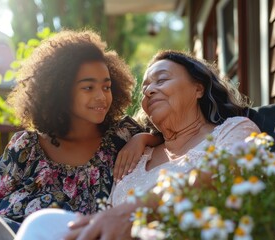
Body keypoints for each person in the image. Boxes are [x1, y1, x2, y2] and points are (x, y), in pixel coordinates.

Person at [0, 29, 161, 240]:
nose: (101, 96)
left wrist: (144, 138)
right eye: (88, 87)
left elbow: (173, 143)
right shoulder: (25, 146)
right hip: (10, 232)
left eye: (106, 86)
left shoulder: (122, 137)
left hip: (61, 235)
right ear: (60, 91)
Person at [15, 50, 261, 240]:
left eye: (161, 80)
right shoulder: (137, 155)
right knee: (41, 223)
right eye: (145, 89)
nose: (150, 91)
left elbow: (222, 174)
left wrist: (134, 211)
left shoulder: (234, 130)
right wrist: (142, 138)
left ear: (198, 87)